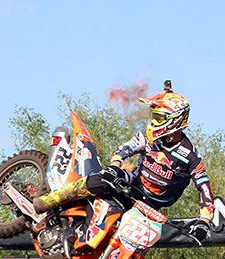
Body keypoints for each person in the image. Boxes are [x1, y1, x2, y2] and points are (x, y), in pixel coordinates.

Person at [33, 83, 215, 246]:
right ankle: (51, 200)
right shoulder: (147, 136)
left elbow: (205, 189)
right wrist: (115, 166)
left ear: (174, 120)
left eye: (158, 118)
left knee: (131, 240)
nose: (154, 121)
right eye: (154, 116)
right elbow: (124, 149)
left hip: (150, 206)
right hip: (133, 184)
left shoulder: (190, 155)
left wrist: (205, 221)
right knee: (103, 179)